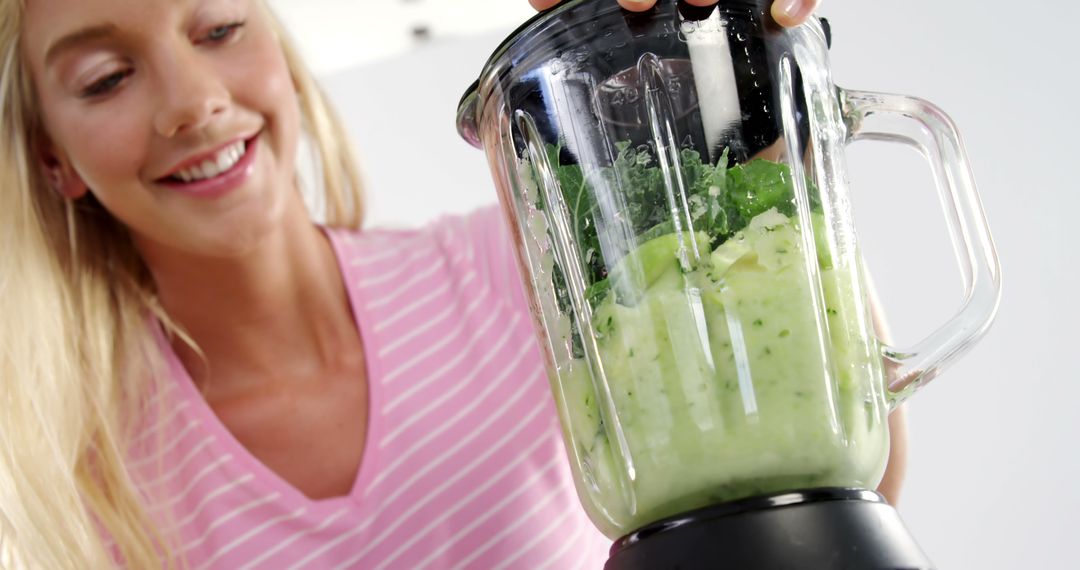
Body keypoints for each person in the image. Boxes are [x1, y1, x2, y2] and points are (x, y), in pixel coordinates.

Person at [0, 0, 907, 567]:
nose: (192, 101)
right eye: (108, 77)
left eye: (220, 30)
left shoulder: (523, 267)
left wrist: (737, 83)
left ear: (277, 51)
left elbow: (817, 481)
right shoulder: (81, 486)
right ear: (53, 158)